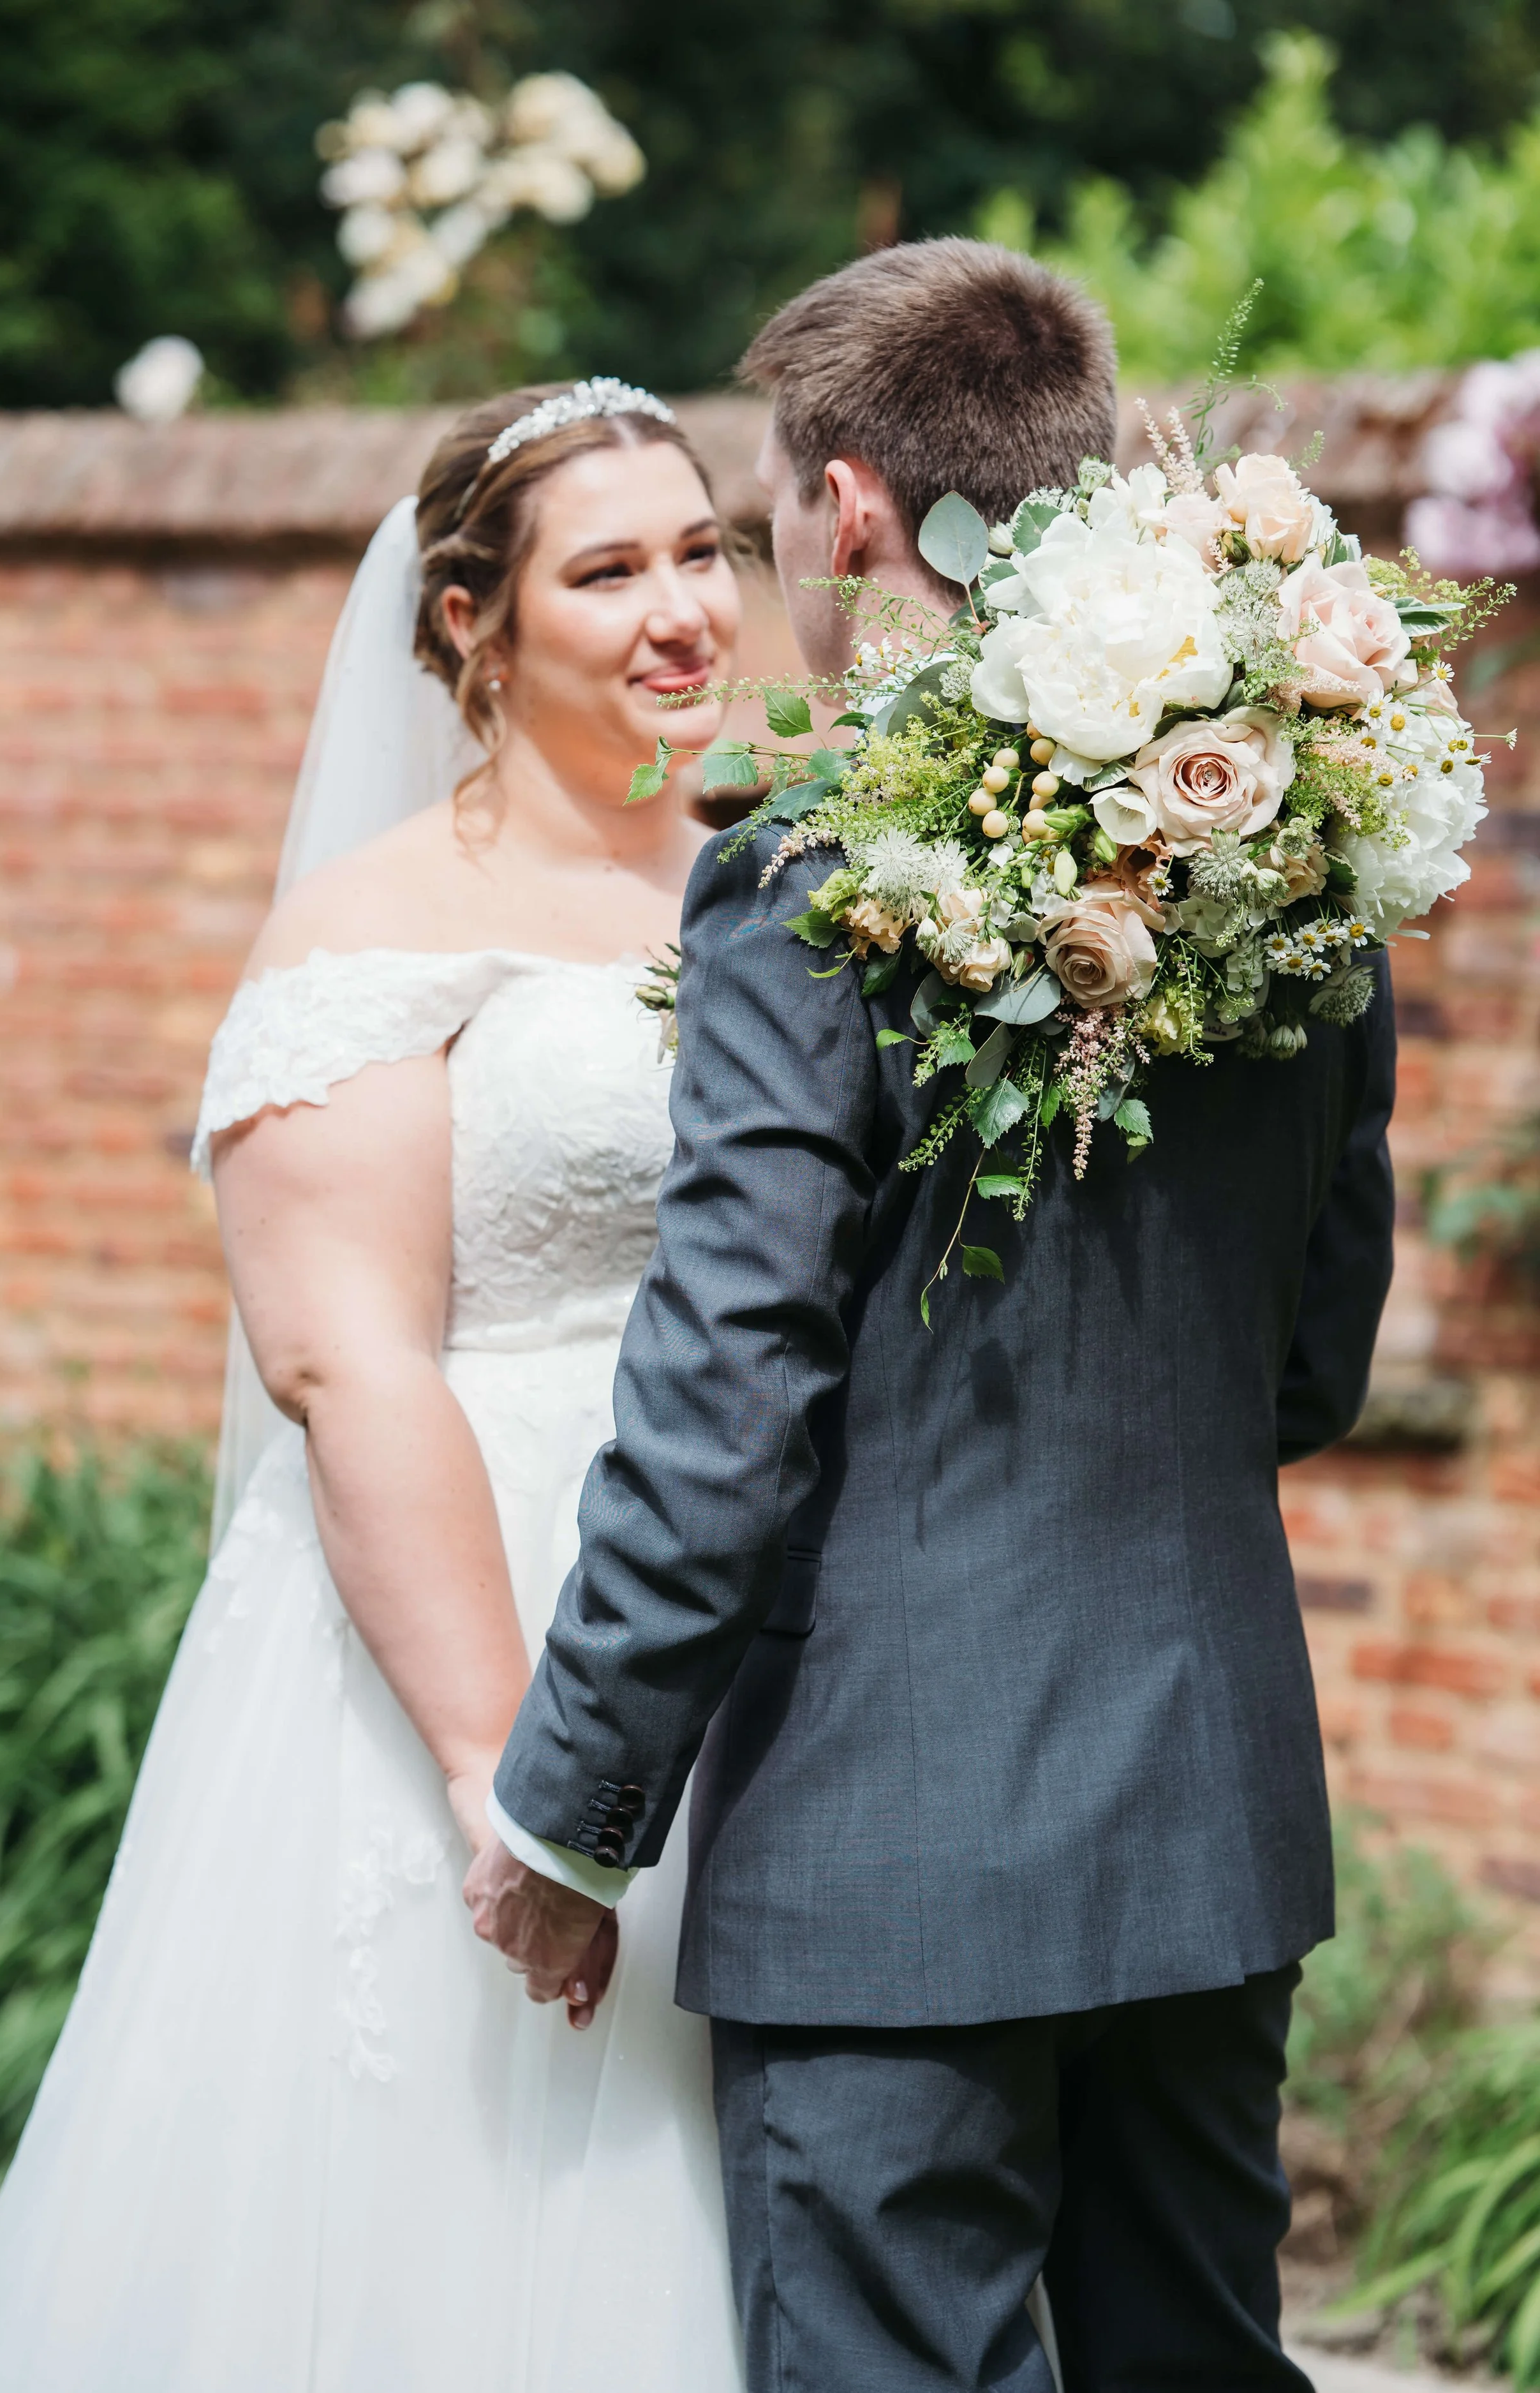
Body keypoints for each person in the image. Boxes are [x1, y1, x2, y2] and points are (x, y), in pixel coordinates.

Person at [470, 241, 1398, 2392]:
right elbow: (1314, 1351)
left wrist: (568, 1815)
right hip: (1208, 1806)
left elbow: (723, 1395)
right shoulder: (1306, 819)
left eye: (770, 510)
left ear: (853, 506)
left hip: (897, 1851)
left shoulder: (812, 867)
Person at [0, 380, 748, 2391]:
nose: (683, 610)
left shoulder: (763, 877)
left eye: (701, 548)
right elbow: (345, 1357)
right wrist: (517, 1785)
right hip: (481, 1621)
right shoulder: (378, 929)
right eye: (608, 568)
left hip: (738, 1622)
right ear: (474, 620)